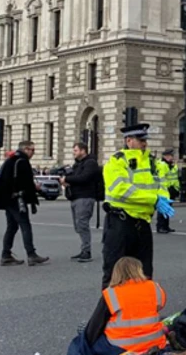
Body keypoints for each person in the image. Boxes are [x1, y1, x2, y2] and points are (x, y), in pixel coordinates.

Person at [102, 124, 172, 289]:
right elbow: (121, 189)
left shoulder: (153, 162)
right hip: (121, 221)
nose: (144, 144)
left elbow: (161, 183)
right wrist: (153, 199)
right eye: (141, 140)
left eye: (145, 140)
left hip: (142, 222)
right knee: (114, 271)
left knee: (144, 271)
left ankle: (142, 311)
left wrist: (163, 197)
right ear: (128, 140)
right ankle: (110, 312)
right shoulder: (117, 161)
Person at [83, 257, 167, 355]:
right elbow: (159, 305)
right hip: (154, 342)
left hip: (123, 346)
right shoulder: (153, 287)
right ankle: (144, 352)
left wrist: (86, 341)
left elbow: (96, 323)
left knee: (98, 346)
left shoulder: (111, 293)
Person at [0, 141, 49, 267]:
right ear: (26, 149)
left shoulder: (11, 160)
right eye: (32, 150)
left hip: (8, 199)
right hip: (17, 199)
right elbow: (26, 182)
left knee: (12, 226)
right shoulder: (22, 161)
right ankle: (31, 254)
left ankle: (6, 255)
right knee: (25, 225)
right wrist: (35, 189)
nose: (33, 153)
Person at [61, 142, 100, 262]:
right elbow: (76, 177)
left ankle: (86, 251)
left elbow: (84, 178)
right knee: (78, 225)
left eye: (76, 150)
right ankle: (84, 249)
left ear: (83, 151)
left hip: (85, 196)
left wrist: (67, 179)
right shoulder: (77, 164)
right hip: (75, 196)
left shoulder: (90, 163)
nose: (74, 153)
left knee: (82, 224)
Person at [155, 149, 179, 234]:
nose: (172, 157)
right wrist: (165, 189)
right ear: (166, 156)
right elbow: (162, 179)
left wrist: (176, 188)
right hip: (164, 190)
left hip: (171, 189)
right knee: (162, 209)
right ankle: (160, 226)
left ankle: (166, 226)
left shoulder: (171, 165)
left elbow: (174, 178)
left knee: (168, 208)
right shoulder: (162, 165)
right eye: (171, 156)